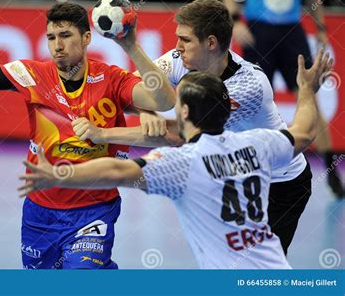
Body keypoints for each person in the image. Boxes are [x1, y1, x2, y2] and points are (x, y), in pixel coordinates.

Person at [0, 2, 176, 269]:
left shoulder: (111, 79)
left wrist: (131, 46)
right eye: (51, 37)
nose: (57, 46)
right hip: (40, 211)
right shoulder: (32, 75)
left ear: (88, 37)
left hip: (94, 209)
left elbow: (164, 101)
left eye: (65, 35)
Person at [18, 49, 332, 269]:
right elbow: (303, 132)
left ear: (183, 112)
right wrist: (307, 89)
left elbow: (116, 170)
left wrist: (59, 175)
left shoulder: (181, 164)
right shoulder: (258, 143)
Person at [69, 0, 314, 255]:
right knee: (225, 259)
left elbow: (177, 134)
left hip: (279, 183)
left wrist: (103, 135)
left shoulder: (249, 85)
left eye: (185, 40)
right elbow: (132, 91)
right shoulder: (179, 59)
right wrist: (146, 110)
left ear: (210, 43)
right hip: (228, 172)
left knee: (255, 264)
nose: (177, 47)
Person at [221, 0, 344, 198]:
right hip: (258, 30)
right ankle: (243, 169)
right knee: (251, 101)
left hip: (291, 31)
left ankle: (331, 171)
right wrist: (235, 20)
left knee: (310, 96)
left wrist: (321, 26)